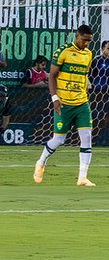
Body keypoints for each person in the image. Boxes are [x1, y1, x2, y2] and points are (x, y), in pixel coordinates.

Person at [32, 25, 96, 186]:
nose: (86, 44)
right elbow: (52, 76)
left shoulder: (88, 54)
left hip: (82, 102)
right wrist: (54, 98)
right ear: (77, 36)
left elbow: (85, 74)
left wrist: (86, 83)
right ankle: (41, 162)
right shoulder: (63, 52)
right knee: (59, 139)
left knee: (87, 137)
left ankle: (82, 177)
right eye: (84, 40)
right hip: (64, 103)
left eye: (89, 41)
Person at [89, 40, 109, 142]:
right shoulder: (96, 61)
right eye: (108, 48)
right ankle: (94, 137)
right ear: (102, 49)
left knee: (108, 115)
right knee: (96, 114)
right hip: (98, 92)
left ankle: (105, 139)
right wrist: (96, 85)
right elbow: (91, 75)